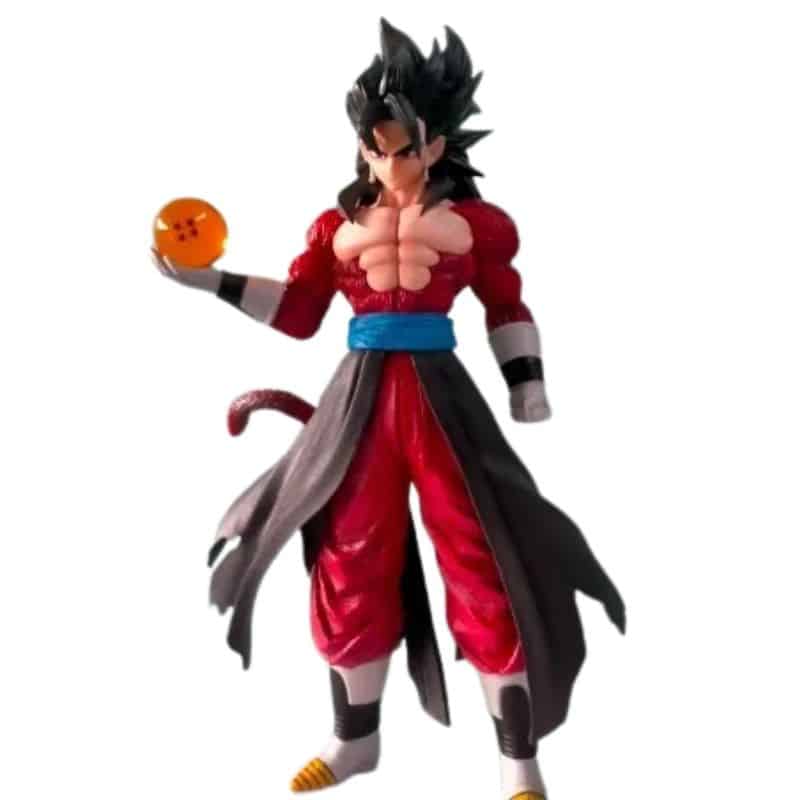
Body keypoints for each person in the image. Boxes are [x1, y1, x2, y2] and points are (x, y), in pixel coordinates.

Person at [152, 19, 624, 800]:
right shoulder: (336, 227)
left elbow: (505, 304)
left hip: (442, 399)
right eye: (375, 148)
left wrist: (527, 381)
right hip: (361, 398)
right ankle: (354, 740)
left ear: (435, 144)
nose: (388, 163)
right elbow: (300, 310)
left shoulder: (476, 225)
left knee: (484, 556)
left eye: (403, 148)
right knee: (348, 558)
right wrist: (213, 282)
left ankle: (518, 757)